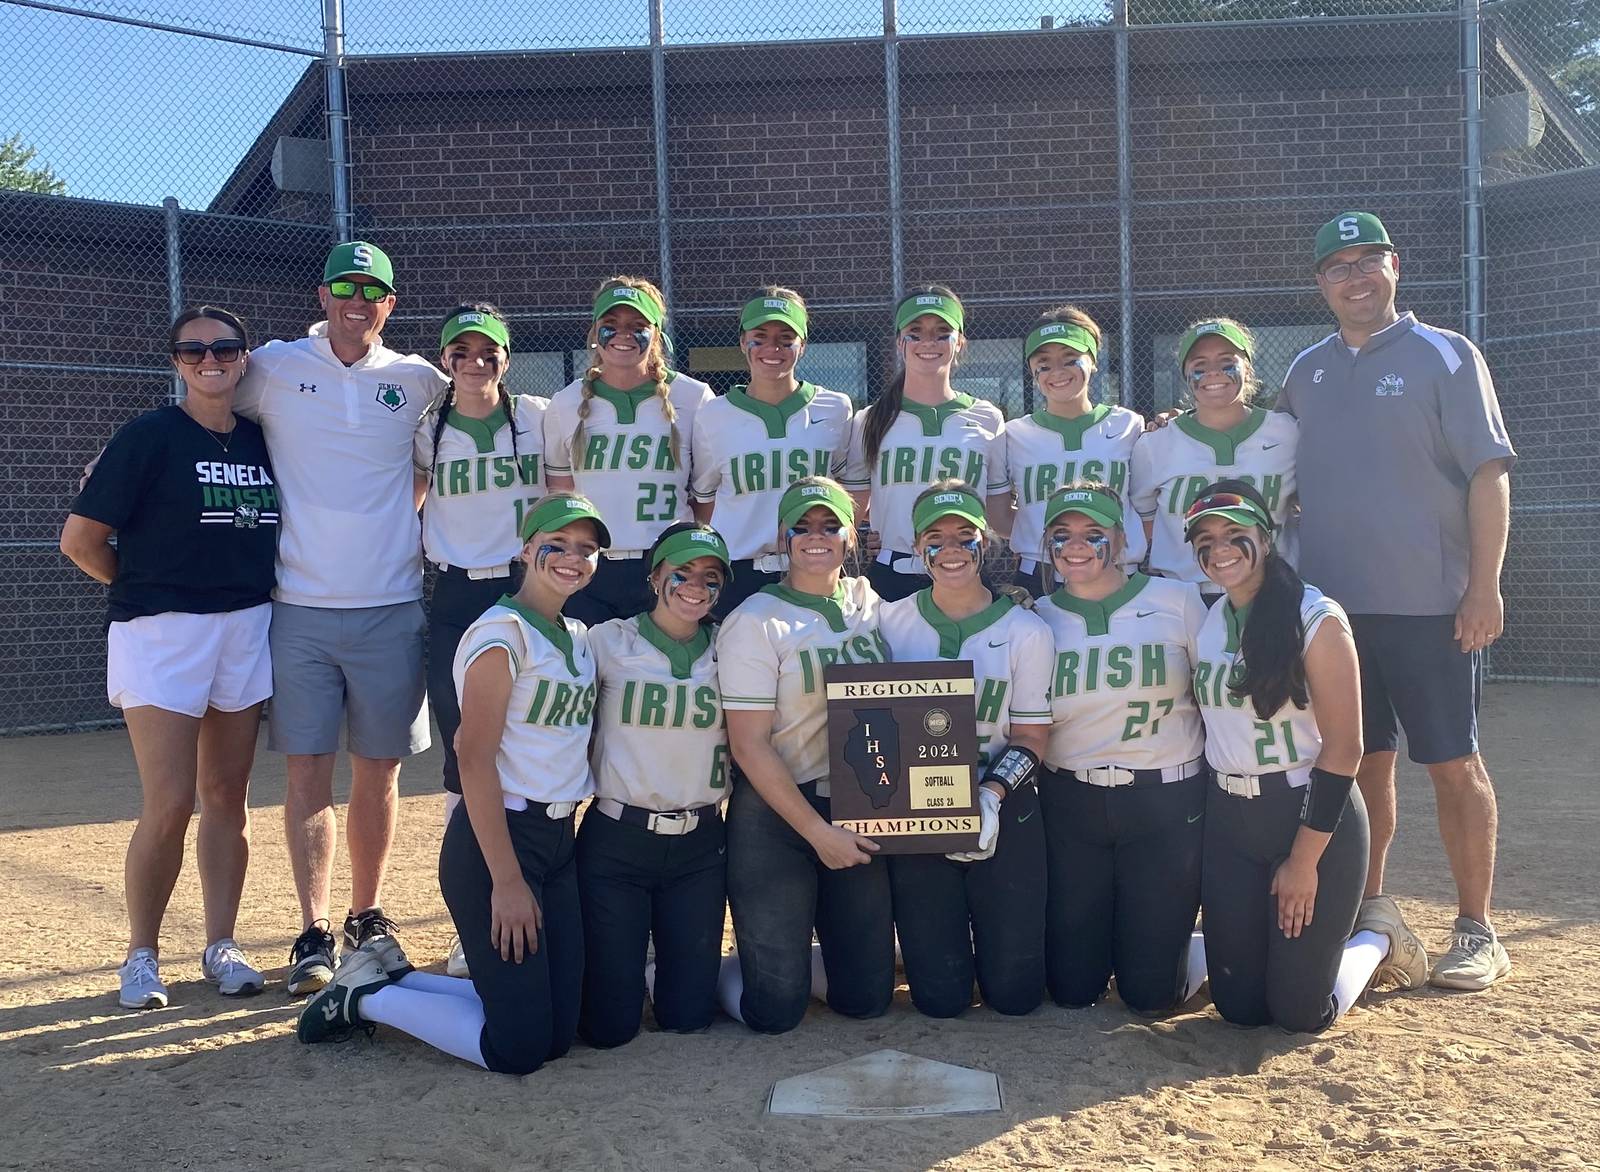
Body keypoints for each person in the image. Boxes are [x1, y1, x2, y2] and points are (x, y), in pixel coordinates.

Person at [1280, 212, 1516, 991]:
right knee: (1361, 765)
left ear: (1396, 266)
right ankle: (1371, 905)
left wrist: (1483, 586)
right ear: (1321, 285)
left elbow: (1489, 474)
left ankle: (1477, 928)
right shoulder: (1305, 372)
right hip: (1336, 617)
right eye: (1338, 266)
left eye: (1368, 260)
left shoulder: (1447, 355)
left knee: (1453, 765)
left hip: (1432, 608)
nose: (1355, 277)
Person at [297, 493, 605, 1075]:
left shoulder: (577, 635)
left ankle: (396, 978)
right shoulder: (502, 633)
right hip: (498, 842)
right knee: (517, 1050)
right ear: (525, 549)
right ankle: (366, 998)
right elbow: (474, 762)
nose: (573, 557)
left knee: (559, 1035)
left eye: (586, 549)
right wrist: (507, 880)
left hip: (557, 839)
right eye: (557, 544)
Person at [227, 241, 446, 993]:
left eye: (375, 290)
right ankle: (313, 929)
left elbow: (454, 446)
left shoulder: (417, 379)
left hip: (391, 607)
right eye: (346, 286)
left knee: (379, 774)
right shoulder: (276, 367)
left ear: (390, 302)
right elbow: (208, 404)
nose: (360, 300)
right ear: (322, 294)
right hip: (299, 611)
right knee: (307, 776)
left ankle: (367, 914)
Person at [62, 307, 277, 1008]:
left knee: (227, 799)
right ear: (176, 362)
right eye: (193, 350)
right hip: (161, 632)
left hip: (243, 624)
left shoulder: (261, 440)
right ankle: (141, 955)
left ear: (245, 358)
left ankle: (222, 945)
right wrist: (142, 585)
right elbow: (81, 542)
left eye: (224, 348)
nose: (209, 360)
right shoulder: (149, 437)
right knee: (171, 801)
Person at [1184, 482, 1427, 1032]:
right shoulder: (1209, 619)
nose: (1219, 548)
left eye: (1233, 534)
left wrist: (1302, 861)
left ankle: (1378, 940)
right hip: (1232, 817)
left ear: (1265, 538)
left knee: (1299, 1013)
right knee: (1240, 1009)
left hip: (1311, 816)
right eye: (1206, 538)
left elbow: (1345, 749)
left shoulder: (1316, 616)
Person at [716, 477, 893, 1032]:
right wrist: (819, 834)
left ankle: (789, 957)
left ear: (850, 534)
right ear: (782, 537)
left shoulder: (870, 602)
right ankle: (697, 971)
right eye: (803, 527)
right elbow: (748, 744)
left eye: (829, 525)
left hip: (858, 804)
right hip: (777, 813)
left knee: (865, 999)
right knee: (775, 1012)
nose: (816, 537)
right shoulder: (756, 620)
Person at [1031, 482, 1209, 1015]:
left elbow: (1216, 698)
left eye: (1093, 533)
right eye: (1062, 535)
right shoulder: (1035, 615)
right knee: (1072, 990)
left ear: (1122, 538)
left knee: (1150, 995)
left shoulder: (1176, 600)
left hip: (1164, 802)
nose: (1077, 545)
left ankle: (1212, 951)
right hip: (1071, 803)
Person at [877, 482, 1054, 1017]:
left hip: (1002, 800)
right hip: (917, 811)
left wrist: (991, 796)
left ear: (986, 543)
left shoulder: (1026, 630)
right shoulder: (889, 622)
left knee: (1015, 997)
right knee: (939, 1000)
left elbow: (1031, 737)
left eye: (964, 536)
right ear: (916, 546)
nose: (950, 549)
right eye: (936, 537)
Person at [578, 522, 733, 1048]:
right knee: (608, 1029)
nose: (695, 586)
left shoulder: (733, 647)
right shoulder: (607, 641)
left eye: (710, 577)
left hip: (701, 847)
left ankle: (648, 974)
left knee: (689, 1017)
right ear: (655, 576)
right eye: (682, 572)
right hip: (618, 841)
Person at [544, 277, 714, 627]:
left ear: (656, 334)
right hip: (591, 570)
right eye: (611, 325)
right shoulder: (565, 403)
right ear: (594, 331)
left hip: (667, 565)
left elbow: (705, 498)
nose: (623, 335)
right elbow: (560, 497)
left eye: (637, 326)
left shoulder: (694, 398)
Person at [689, 288, 853, 616]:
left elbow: (849, 492)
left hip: (813, 569)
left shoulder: (835, 408)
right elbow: (705, 500)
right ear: (741, 342)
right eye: (759, 336)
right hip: (740, 572)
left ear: (803, 345)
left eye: (785, 337)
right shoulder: (713, 414)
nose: (772, 348)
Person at [842, 286, 1011, 601]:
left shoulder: (988, 418)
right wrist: (884, 531)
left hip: (966, 573)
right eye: (915, 332)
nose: (928, 342)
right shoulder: (869, 420)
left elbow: (999, 517)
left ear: (959, 342)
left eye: (942, 332)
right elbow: (852, 511)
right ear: (899, 342)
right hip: (893, 577)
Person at [1129, 319, 1297, 603]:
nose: (1213, 373)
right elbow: (1145, 519)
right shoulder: (1156, 443)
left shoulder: (1287, 432)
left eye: (1226, 361)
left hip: (1271, 592)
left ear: (1247, 367)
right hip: (1183, 596)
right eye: (1200, 364)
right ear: (1185, 374)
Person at [1004, 308, 1146, 596]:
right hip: (1040, 577)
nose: (1057, 371)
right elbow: (996, 511)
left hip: (1117, 575)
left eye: (1070, 359)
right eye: (1044, 362)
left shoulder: (1129, 425)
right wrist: (1030, 535)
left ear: (1092, 361)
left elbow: (1146, 509)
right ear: (1032, 371)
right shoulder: (1012, 435)